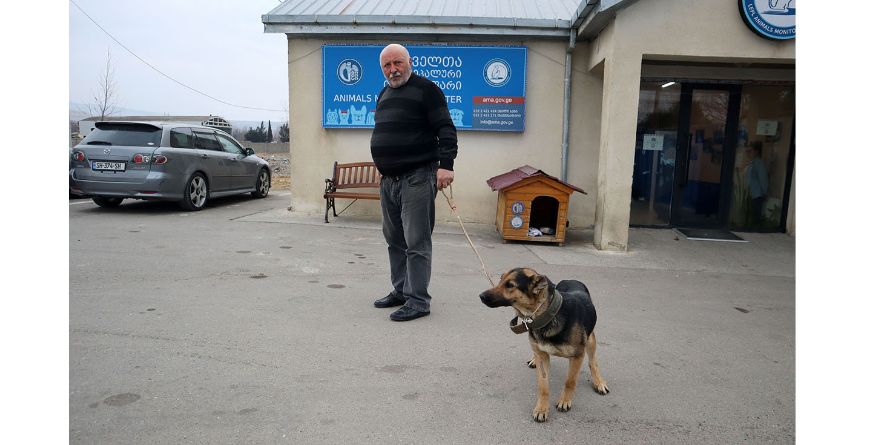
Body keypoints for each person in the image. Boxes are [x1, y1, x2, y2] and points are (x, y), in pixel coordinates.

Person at [370, 44, 457, 321]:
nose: (393, 69)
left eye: (398, 63)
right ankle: (401, 290)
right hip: (389, 180)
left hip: (418, 177)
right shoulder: (384, 93)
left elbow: (446, 128)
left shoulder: (427, 89)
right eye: (387, 65)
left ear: (410, 62)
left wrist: (446, 166)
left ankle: (418, 300)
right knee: (394, 239)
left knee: (416, 241)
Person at [744, 142, 768, 228]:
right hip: (750, 194)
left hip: (757, 194)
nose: (748, 153)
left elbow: (763, 179)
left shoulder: (759, 163)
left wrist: (764, 193)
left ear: (756, 152)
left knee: (756, 216)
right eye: (747, 151)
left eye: (750, 151)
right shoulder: (751, 163)